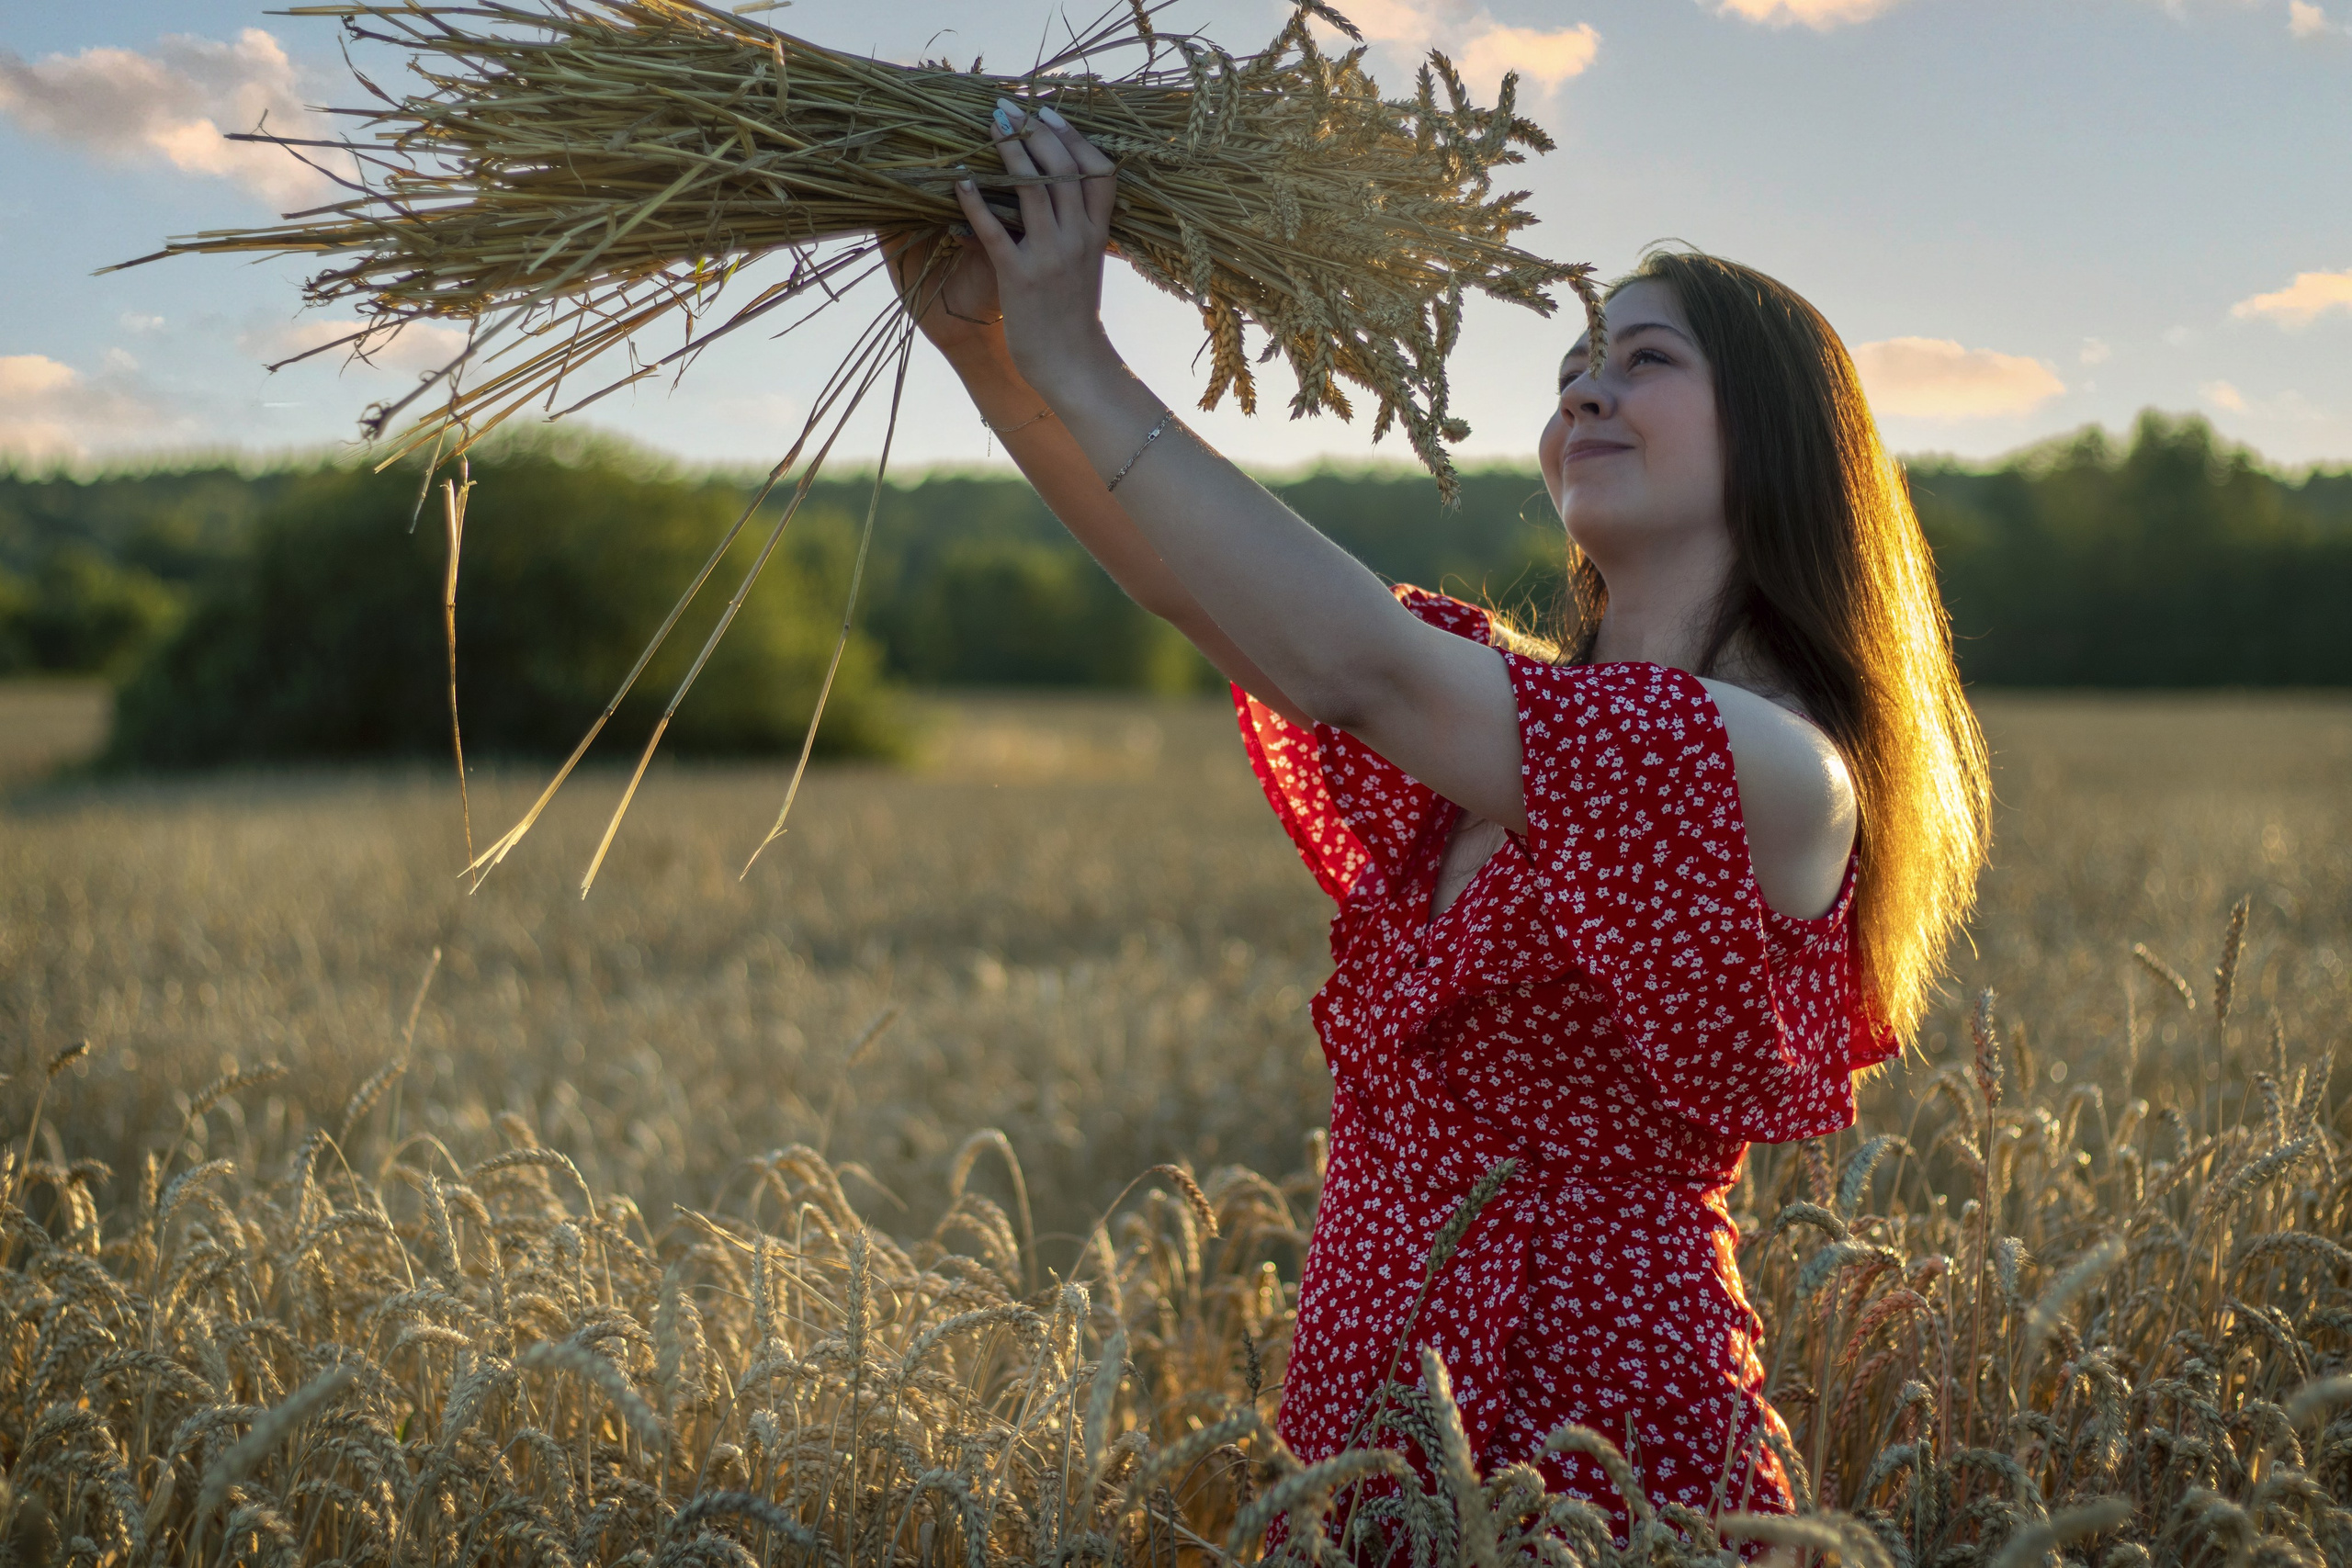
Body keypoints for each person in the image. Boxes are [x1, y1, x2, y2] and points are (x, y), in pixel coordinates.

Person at [886, 98, 1991, 1541]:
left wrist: (1079, 352)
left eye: (1643, 362)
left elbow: (1349, 663)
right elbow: (1195, 589)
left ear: (1783, 435)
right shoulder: (1508, 732)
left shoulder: (1769, 763)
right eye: (1572, 367)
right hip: (1365, 1415)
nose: (1587, 391)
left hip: (1586, 1437)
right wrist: (991, 349)